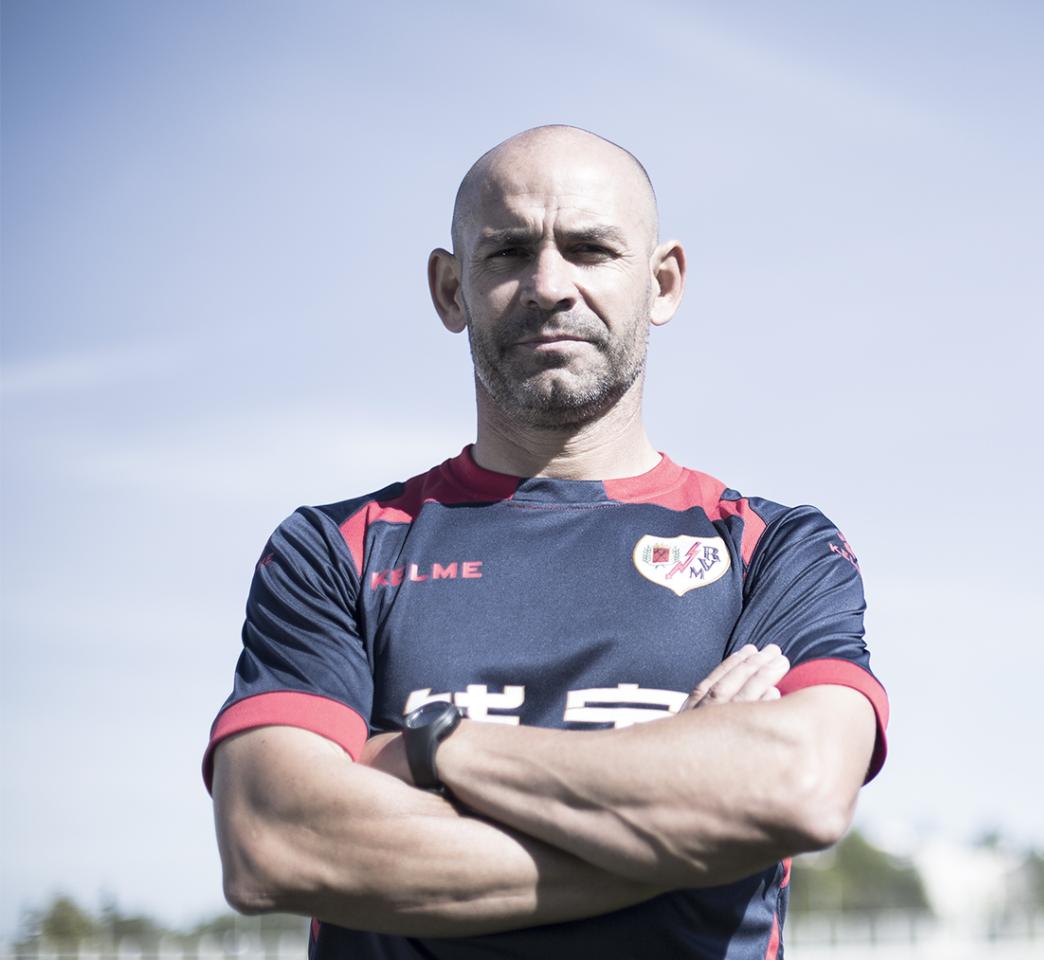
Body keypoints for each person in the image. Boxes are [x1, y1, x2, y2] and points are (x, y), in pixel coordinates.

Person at [205, 125, 888, 960]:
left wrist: (434, 748)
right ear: (451, 290)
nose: (549, 285)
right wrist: (687, 822)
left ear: (662, 282)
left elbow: (803, 789)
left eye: (592, 249)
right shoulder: (335, 549)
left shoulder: (773, 549)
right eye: (507, 253)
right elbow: (273, 841)